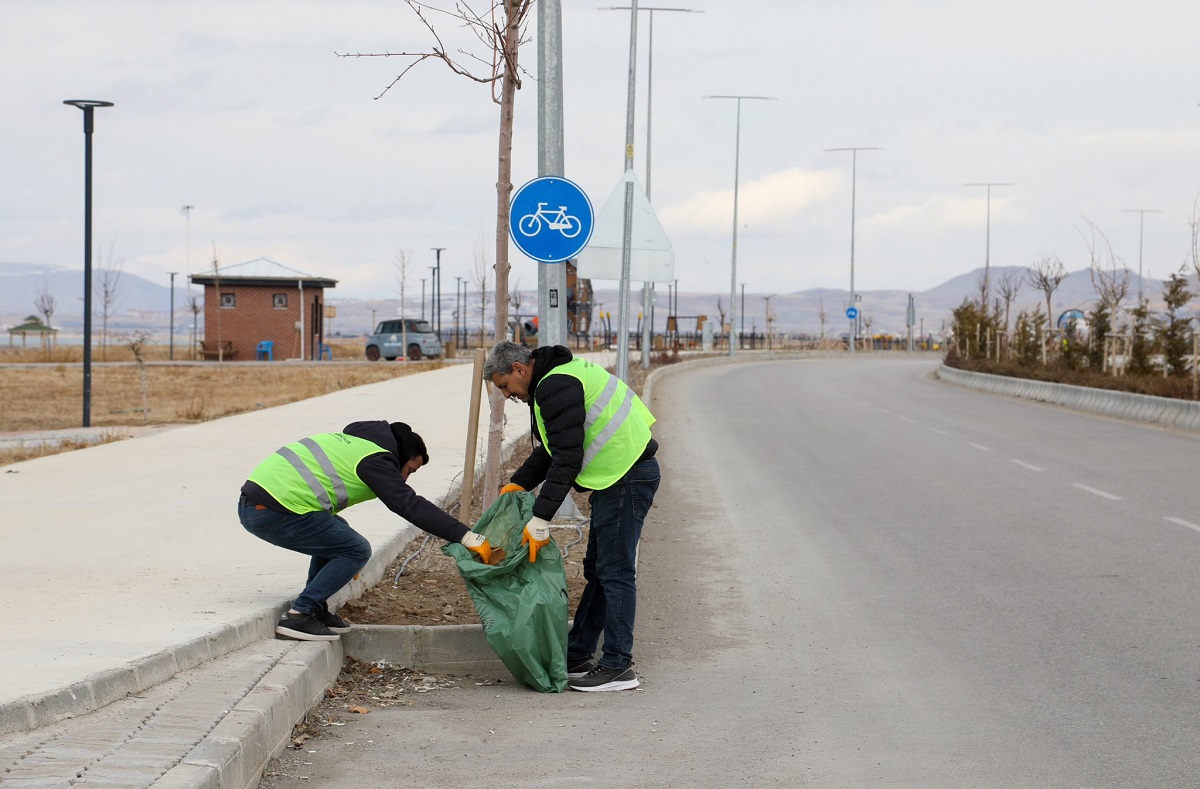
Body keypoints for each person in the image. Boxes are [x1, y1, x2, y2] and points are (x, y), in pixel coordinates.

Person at [484, 340, 660, 692]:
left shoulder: (554, 385)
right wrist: (518, 485)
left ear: (520, 369)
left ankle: (618, 666)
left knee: (616, 571)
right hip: (621, 475)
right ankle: (578, 653)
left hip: (626, 475)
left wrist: (540, 518)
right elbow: (554, 449)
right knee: (599, 568)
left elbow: (567, 456)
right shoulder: (556, 378)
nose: (508, 394)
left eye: (505, 386)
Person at [238, 420, 494, 641]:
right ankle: (300, 614)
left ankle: (314, 608)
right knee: (356, 549)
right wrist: (465, 535)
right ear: (401, 457)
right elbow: (409, 505)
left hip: (259, 505)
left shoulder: (356, 442)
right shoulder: (375, 460)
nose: (405, 479)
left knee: (340, 535)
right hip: (269, 511)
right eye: (409, 470)